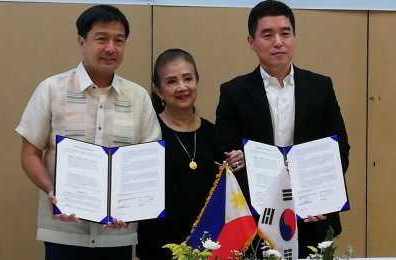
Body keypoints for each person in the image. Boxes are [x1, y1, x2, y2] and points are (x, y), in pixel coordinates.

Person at [15, 5, 161, 260]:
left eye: (119, 40)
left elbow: (149, 164)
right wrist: (53, 192)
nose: (110, 48)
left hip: (118, 234)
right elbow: (30, 153)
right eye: (101, 38)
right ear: (82, 42)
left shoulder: (139, 97)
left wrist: (133, 205)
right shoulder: (51, 89)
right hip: (63, 230)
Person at [214, 0, 350, 258]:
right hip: (256, 219)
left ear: (294, 37)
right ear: (251, 42)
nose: (278, 41)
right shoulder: (234, 92)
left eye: (285, 33)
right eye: (267, 34)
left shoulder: (320, 87)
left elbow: (339, 149)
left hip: (312, 215)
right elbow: (225, 155)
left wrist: (320, 198)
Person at [137, 48, 245, 259]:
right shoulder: (148, 133)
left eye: (188, 78)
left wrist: (238, 163)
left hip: (209, 246)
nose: (182, 87)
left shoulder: (216, 134)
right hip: (158, 244)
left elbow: (228, 191)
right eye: (171, 82)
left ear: (197, 80)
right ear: (158, 90)